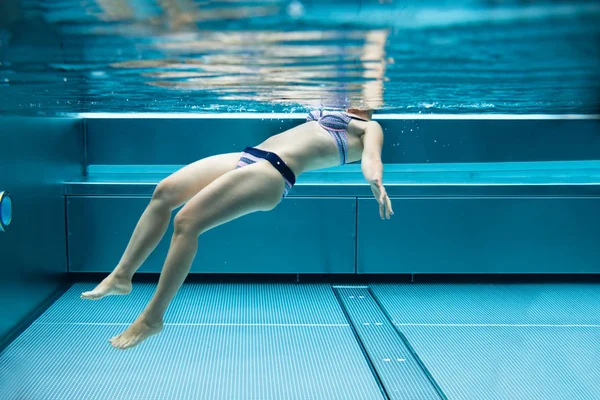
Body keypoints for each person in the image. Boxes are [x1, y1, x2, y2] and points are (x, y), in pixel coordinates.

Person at [80, 108, 394, 349]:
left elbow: (371, 158)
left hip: (272, 173)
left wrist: (375, 181)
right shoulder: (327, 109)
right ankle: (122, 276)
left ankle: (151, 318)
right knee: (164, 192)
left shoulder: (369, 128)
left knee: (186, 223)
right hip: (251, 156)